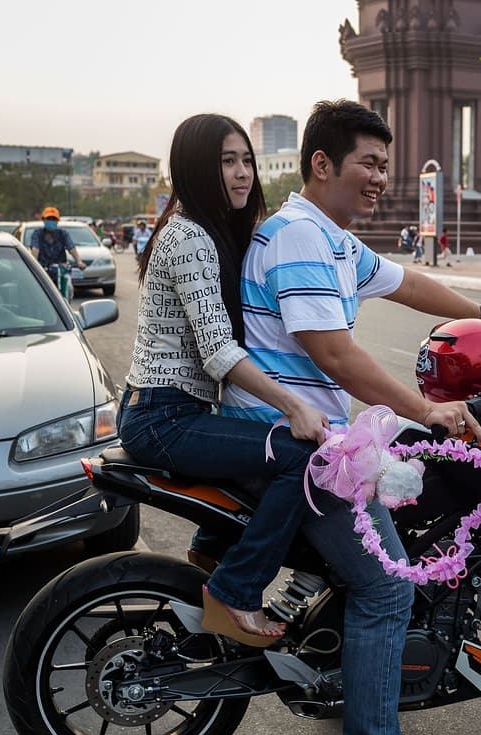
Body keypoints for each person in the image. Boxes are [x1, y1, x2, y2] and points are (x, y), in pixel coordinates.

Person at [219, 99, 481, 735]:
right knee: (388, 587)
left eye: (387, 166)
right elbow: (335, 356)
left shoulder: (328, 238)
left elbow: (407, 282)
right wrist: (429, 410)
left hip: (311, 437)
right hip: (289, 443)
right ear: (321, 164)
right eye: (370, 163)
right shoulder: (298, 235)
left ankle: (339, 660)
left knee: (395, 522)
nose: (381, 179)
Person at [117, 113, 329, 644]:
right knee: (300, 455)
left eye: (246, 161)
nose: (242, 174)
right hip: (163, 418)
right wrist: (294, 407)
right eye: (226, 162)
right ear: (194, 168)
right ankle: (235, 589)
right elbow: (216, 352)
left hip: (169, 411)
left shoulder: (206, 230)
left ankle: (213, 545)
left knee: (257, 443)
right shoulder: (189, 236)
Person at [31, 206, 86, 273]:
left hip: (61, 271)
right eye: (49, 219)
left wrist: (79, 262)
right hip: (43, 272)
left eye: (54, 219)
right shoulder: (37, 234)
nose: (51, 221)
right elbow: (35, 249)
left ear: (58, 221)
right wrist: (34, 265)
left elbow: (71, 248)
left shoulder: (63, 233)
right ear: (43, 219)